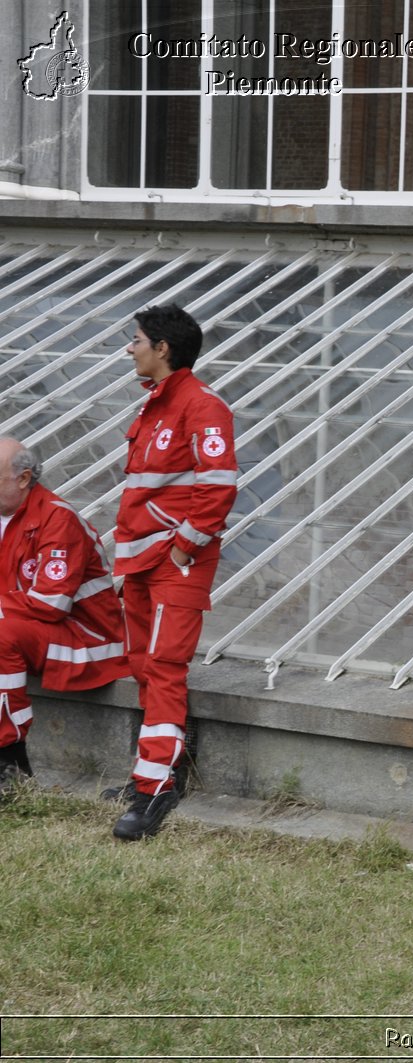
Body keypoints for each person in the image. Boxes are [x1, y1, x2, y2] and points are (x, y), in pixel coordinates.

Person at [106, 304, 238, 840]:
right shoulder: (154, 407)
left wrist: (183, 549)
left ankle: (154, 788)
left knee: (163, 666)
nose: (129, 348)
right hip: (140, 559)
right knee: (142, 662)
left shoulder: (202, 405)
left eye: (135, 339)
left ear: (162, 348)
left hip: (172, 563)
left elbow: (219, 485)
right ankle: (158, 769)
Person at [0, 439, 131, 789]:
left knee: (1, 637)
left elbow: (51, 604)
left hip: (88, 640)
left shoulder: (57, 518)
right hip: (32, 631)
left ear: (24, 478)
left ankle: (9, 761)